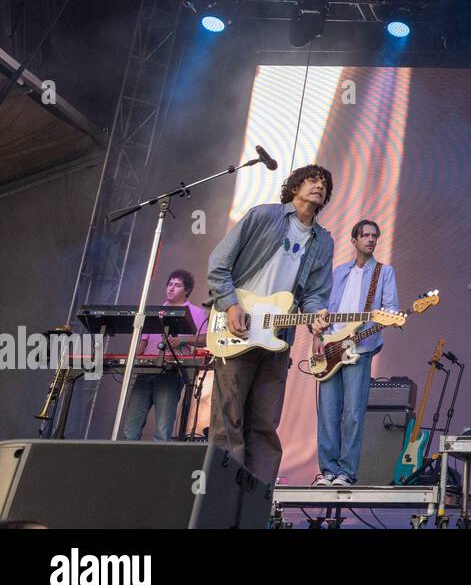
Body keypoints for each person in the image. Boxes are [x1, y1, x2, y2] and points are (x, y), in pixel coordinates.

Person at [207, 164, 334, 483]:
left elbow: (316, 294)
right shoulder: (263, 216)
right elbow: (218, 264)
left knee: (264, 424)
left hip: (278, 339)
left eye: (324, 184)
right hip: (237, 328)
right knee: (228, 421)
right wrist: (231, 305)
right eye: (312, 180)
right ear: (294, 187)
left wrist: (317, 317)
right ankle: (222, 500)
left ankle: (255, 501)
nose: (319, 186)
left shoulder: (323, 241)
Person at [314, 219, 399, 487]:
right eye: (365, 235)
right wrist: (318, 336)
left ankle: (346, 473)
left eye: (375, 235)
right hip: (329, 348)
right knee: (327, 413)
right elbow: (324, 310)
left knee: (352, 413)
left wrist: (369, 330)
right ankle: (327, 471)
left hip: (360, 349)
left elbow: (390, 311)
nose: (371, 240)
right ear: (354, 240)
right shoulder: (339, 272)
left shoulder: (384, 273)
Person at [121, 270, 207, 441]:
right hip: (146, 372)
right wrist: (128, 359)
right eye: (170, 284)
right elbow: (143, 344)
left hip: (171, 374)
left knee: (162, 429)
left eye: (177, 285)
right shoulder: (155, 311)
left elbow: (204, 339)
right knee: (131, 427)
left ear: (187, 290)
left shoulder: (195, 312)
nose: (171, 288)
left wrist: (181, 339)